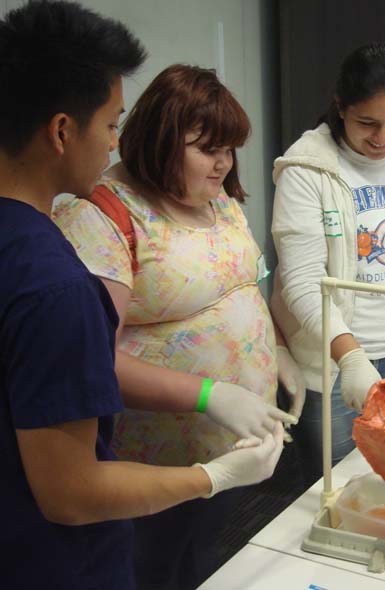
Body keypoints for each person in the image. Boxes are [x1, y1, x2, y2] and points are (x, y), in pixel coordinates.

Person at [0, 3, 284, 588]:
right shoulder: (56, 282)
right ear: (61, 130)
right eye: (110, 125)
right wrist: (213, 477)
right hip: (48, 560)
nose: (114, 146)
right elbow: (72, 493)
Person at [53, 64, 301, 589]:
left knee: (205, 560)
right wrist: (212, 395)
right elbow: (91, 360)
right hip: (158, 463)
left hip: (231, 452)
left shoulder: (218, 199)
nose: (222, 165)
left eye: (229, 149)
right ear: (161, 142)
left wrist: (276, 350)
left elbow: (243, 285)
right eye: (206, 148)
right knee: (156, 569)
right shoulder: (105, 216)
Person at [271, 44, 385, 486]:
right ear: (340, 107)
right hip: (338, 364)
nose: (382, 137)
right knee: (337, 488)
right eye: (367, 123)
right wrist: (351, 359)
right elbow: (301, 282)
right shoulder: (308, 168)